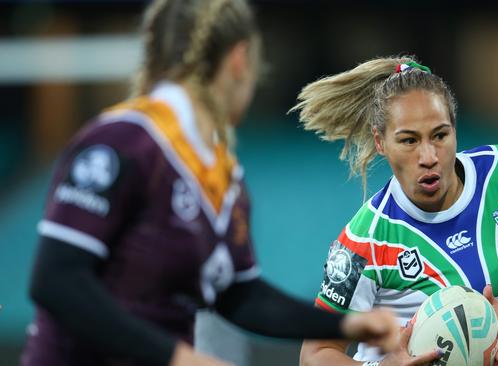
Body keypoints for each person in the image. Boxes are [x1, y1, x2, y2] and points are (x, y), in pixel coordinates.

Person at [20, 1, 401, 365]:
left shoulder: (221, 176)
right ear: (239, 60)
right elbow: (56, 280)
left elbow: (239, 295)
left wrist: (347, 324)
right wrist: (178, 358)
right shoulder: (124, 142)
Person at [291, 57, 498, 366]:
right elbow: (314, 354)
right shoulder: (365, 240)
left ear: (455, 129)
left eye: (440, 135)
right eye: (409, 141)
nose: (428, 156)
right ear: (381, 142)